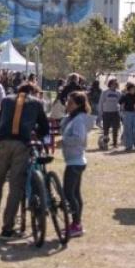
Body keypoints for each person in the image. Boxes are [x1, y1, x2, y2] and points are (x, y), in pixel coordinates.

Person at [0, 83, 50, 238]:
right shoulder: (36, 103)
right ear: (32, 92)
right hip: (21, 145)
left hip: (2, 143)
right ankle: (8, 228)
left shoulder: (6, 100)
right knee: (15, 187)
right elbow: (44, 128)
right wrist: (36, 133)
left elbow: (2, 120)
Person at [61, 90, 89, 238]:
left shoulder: (79, 119)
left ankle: (76, 224)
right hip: (74, 160)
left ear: (78, 104)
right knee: (75, 193)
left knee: (68, 193)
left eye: (71, 103)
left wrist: (64, 141)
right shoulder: (73, 118)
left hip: (75, 161)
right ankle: (75, 224)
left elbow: (79, 138)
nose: (68, 104)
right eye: (67, 102)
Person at [98, 78, 122, 150]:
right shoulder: (105, 92)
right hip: (106, 113)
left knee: (115, 128)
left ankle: (115, 143)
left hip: (115, 113)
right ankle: (105, 144)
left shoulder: (118, 93)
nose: (115, 85)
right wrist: (100, 113)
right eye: (114, 83)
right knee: (106, 129)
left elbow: (121, 103)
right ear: (110, 84)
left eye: (116, 84)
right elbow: (101, 103)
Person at [119, 82, 135, 152]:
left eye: (134, 89)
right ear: (129, 90)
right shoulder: (125, 96)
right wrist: (122, 111)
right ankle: (128, 145)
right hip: (127, 113)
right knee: (128, 129)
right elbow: (120, 103)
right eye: (132, 89)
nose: (133, 90)